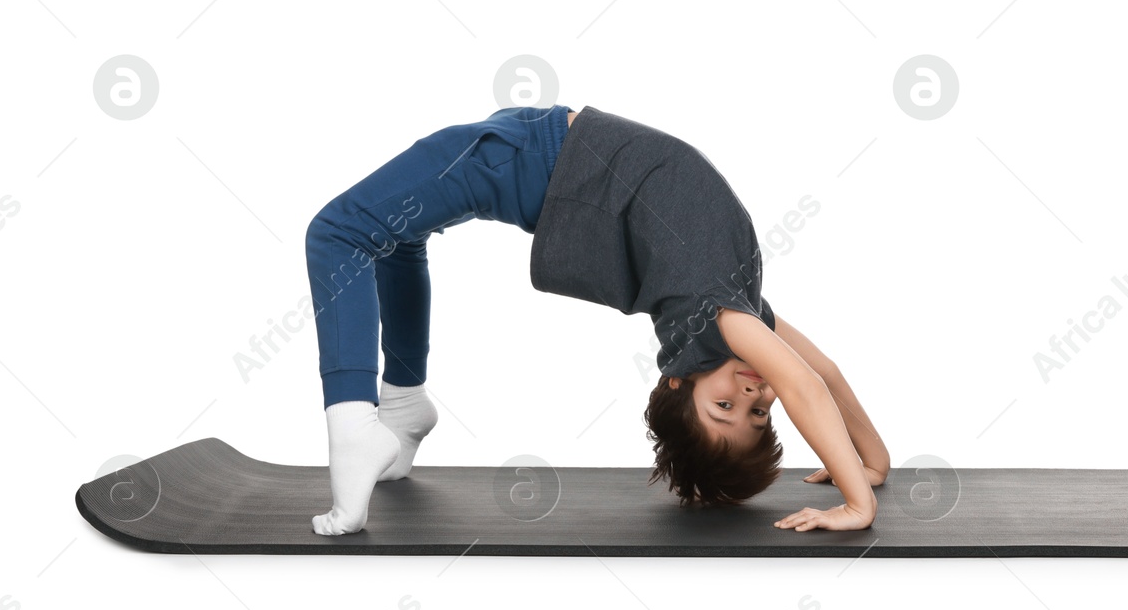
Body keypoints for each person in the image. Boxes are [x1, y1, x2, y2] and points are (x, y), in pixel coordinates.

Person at [303, 104, 888, 536]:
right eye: (759, 411)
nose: (752, 391)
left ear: (678, 381)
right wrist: (869, 468)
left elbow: (807, 383)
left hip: (522, 158)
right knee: (391, 234)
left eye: (726, 408)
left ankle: (360, 426)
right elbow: (820, 376)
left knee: (340, 232)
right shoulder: (738, 313)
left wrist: (859, 497)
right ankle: (402, 405)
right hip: (539, 155)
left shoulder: (719, 316)